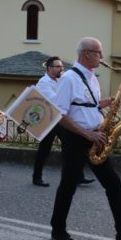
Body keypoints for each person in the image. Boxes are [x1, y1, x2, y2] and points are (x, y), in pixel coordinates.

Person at [50, 37, 121, 240]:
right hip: (77, 139)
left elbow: (87, 105)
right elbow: (59, 114)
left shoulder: (92, 77)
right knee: (68, 185)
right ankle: (58, 231)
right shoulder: (69, 78)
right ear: (86, 53)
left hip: (96, 136)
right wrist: (87, 134)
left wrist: (106, 103)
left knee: (113, 183)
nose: (102, 57)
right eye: (98, 52)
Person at [32, 56, 94, 187]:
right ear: (49, 68)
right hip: (48, 121)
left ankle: (78, 176)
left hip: (60, 120)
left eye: (62, 66)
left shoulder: (61, 80)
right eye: (58, 67)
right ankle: (36, 177)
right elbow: (56, 100)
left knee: (71, 147)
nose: (61, 69)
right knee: (44, 150)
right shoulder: (44, 82)